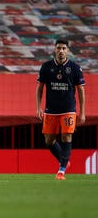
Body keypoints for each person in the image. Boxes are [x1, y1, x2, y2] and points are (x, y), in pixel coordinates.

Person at [36, 38, 85, 180]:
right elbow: (40, 88)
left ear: (68, 50)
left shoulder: (75, 68)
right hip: (50, 109)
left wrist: (82, 112)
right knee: (49, 141)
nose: (61, 51)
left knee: (66, 136)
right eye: (59, 48)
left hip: (68, 109)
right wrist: (38, 107)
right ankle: (64, 160)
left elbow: (80, 90)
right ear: (54, 49)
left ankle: (61, 171)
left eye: (64, 48)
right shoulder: (46, 67)